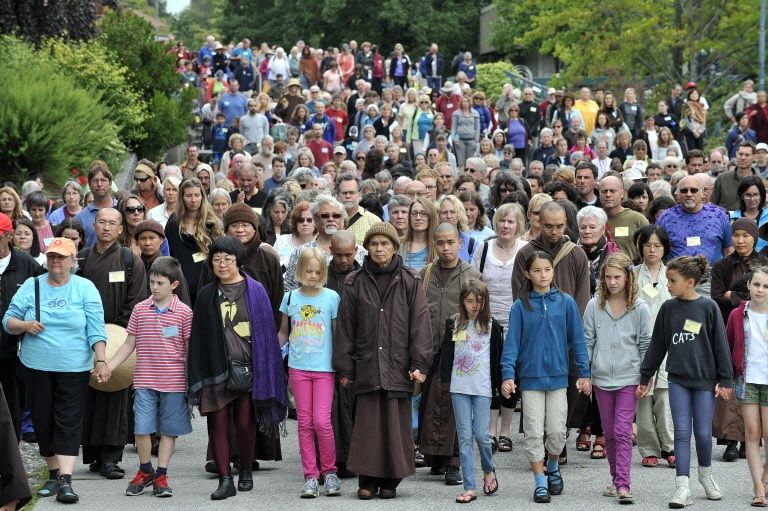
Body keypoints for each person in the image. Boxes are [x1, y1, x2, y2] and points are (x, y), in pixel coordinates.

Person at [3, 237, 107, 504]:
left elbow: (96, 329)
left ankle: (66, 480)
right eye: (51, 257)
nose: (55, 261)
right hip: (36, 365)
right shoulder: (32, 285)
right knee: (42, 420)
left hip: (74, 366)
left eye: (61, 257)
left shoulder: (85, 288)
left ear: (73, 262)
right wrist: (25, 325)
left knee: (69, 421)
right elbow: (7, 321)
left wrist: (102, 360)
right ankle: (52, 472)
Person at [333, 222, 432, 500]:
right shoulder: (354, 282)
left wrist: (420, 363)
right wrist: (344, 367)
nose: (379, 249)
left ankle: (391, 481)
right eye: (374, 244)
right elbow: (345, 329)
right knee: (367, 427)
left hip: (399, 365)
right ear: (367, 248)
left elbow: (420, 326)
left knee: (394, 426)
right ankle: (367, 480)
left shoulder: (410, 281)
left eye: (385, 244)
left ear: (394, 248)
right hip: (366, 364)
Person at [187, 236, 287, 500]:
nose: (221, 264)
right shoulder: (207, 294)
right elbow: (198, 336)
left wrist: (265, 368)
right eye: (216, 259)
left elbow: (266, 334)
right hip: (216, 368)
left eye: (227, 259)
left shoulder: (255, 291)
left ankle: (244, 469)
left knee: (244, 423)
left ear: (238, 261)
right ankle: (224, 479)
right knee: (217, 424)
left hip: (248, 367)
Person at [638, 255, 734, 508]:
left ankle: (705, 475)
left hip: (704, 381)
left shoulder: (709, 307)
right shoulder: (668, 309)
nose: (667, 284)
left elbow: (720, 345)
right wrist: (644, 375)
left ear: (690, 282)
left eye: (672, 280)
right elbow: (657, 344)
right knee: (681, 433)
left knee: (702, 433)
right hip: (677, 379)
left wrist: (725, 378)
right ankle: (682, 486)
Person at [501, 250, 592, 503]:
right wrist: (507, 375)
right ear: (528, 274)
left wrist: (584, 371)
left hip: (558, 379)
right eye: (537, 270)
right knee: (532, 431)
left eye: (548, 269)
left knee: (555, 432)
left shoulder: (566, 303)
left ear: (553, 271)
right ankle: (540, 480)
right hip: (530, 379)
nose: (543, 275)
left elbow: (578, 340)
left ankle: (553, 465)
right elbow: (512, 345)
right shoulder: (520, 306)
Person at [103, 257, 192, 498]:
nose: (154, 287)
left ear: (173, 284)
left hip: (174, 382)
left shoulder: (184, 312)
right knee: (141, 428)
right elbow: (129, 343)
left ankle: (161, 474)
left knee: (168, 430)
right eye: (152, 282)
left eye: (160, 283)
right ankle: (145, 470)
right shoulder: (141, 309)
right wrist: (110, 366)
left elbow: (188, 348)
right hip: (144, 380)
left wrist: (191, 381)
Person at [78, 207, 148, 480]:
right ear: (94, 225)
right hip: (84, 337)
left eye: (113, 223)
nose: (107, 227)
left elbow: (137, 301)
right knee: (89, 395)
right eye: (102, 222)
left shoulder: (130, 260)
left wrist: (115, 330)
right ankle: (93, 455)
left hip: (118, 337)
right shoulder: (81, 258)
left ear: (121, 229)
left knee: (115, 395)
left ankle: (111, 458)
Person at [583, 253, 651, 503]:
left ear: (628, 278)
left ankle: (623, 484)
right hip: (601, 377)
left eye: (617, 277)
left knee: (623, 431)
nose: (612, 282)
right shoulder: (594, 305)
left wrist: (646, 376)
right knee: (609, 433)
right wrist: (585, 373)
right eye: (607, 277)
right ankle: (615, 479)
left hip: (629, 376)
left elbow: (646, 343)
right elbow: (587, 341)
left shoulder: (639, 307)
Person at [418, 223, 482, 484]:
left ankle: (454, 462)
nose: (445, 248)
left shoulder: (471, 275)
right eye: (440, 243)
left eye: (450, 242)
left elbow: (477, 314)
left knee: (457, 407)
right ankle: (435, 458)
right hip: (428, 346)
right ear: (435, 244)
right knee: (431, 404)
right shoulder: (425, 273)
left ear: (460, 243)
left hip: (459, 349)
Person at [277, 248, 342, 497]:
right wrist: (272, 353)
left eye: (317, 271)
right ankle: (311, 476)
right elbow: (284, 332)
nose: (313, 276)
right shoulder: (290, 298)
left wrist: (343, 364)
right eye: (308, 271)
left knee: (321, 421)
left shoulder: (332, 297)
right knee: (304, 422)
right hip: (298, 367)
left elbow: (338, 334)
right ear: (299, 271)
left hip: (325, 368)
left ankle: (330, 472)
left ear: (323, 272)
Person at [438, 279, 501, 503]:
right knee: (464, 437)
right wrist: (437, 376)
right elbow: (446, 353)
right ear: (462, 302)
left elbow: (497, 359)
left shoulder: (493, 326)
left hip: (483, 388)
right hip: (459, 388)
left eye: (479, 301)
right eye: (470, 301)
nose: (474, 305)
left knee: (483, 436)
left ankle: (488, 469)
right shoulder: (455, 324)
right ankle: (470, 486)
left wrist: (502, 383)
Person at [632, 225, 675, 469]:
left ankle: (669, 446)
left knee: (664, 396)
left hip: (669, 344)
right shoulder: (634, 273)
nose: (652, 249)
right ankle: (648, 448)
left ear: (664, 248)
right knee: (643, 397)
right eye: (647, 245)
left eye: (657, 245)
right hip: (640, 343)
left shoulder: (672, 272)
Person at [725, 266, 768, 507]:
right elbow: (729, 344)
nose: (761, 290)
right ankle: (758, 488)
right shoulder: (737, 315)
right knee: (752, 433)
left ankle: (767, 473)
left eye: (766, 286)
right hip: (747, 379)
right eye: (757, 284)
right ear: (749, 286)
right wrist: (725, 379)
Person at [0, 213, 44, 441]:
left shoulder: (27, 264)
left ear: (8, 236)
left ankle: (11, 453)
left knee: (13, 402)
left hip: (16, 347)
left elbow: (43, 296)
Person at [165, 178, 223, 304]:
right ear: (182, 197)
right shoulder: (174, 223)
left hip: (208, 284)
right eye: (189, 195)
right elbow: (169, 254)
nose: (193, 200)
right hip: (181, 286)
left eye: (197, 195)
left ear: (202, 196)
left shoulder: (211, 222)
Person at [74, 162, 119, 247]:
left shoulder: (122, 210)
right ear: (90, 185)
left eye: (103, 180)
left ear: (110, 184)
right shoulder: (80, 218)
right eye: (95, 180)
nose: (99, 184)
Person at [398, 197, 437, 271]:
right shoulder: (399, 245)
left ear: (431, 216)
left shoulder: (438, 246)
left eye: (423, 213)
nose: (418, 218)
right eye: (414, 213)